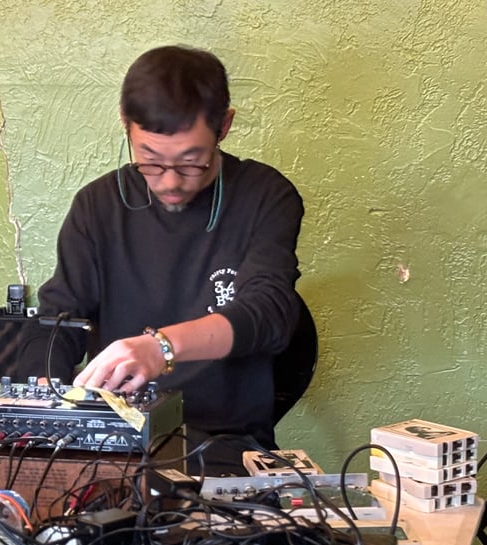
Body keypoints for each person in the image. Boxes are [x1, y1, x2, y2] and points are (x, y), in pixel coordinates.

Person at [17, 45, 304, 475]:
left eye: (191, 163)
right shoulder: (98, 206)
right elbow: (58, 320)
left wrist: (161, 348)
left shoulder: (265, 196)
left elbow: (269, 313)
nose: (169, 182)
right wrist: (41, 396)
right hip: (118, 441)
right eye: (150, 161)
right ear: (125, 125)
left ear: (224, 126)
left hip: (222, 444)